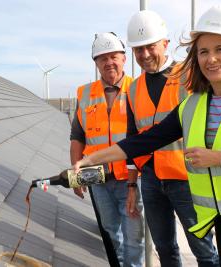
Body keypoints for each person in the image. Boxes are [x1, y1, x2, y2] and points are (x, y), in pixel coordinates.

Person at [74, 5, 221, 267]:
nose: (211, 59)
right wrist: (90, 159)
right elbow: (141, 141)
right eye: (203, 52)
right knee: (170, 247)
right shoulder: (193, 105)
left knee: (205, 254)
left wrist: (219, 158)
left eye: (220, 49)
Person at [124, 10, 219, 267]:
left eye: (149, 47)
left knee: (204, 250)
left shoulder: (191, 76)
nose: (144, 55)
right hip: (152, 181)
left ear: (165, 44)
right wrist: (132, 186)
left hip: (188, 179)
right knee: (165, 248)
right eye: (137, 50)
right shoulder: (133, 88)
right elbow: (133, 139)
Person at [69, 32, 145, 267]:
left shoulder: (139, 88)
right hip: (98, 179)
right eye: (102, 58)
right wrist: (76, 177)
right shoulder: (85, 94)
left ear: (124, 58)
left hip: (132, 177)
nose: (109, 62)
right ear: (96, 63)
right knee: (111, 231)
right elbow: (77, 137)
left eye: (114, 56)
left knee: (134, 237)